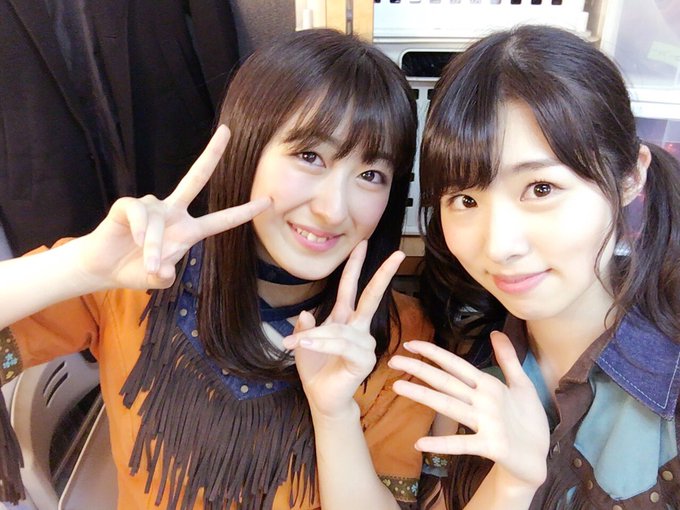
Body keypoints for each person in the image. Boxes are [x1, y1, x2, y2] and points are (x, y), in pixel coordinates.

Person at [0, 29, 435, 510]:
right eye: (310, 156)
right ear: (246, 150)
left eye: (371, 175)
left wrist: (336, 416)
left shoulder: (402, 342)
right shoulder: (139, 276)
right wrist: (81, 268)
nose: (333, 210)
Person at [389, 24, 680, 509]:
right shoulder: (467, 357)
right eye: (465, 199)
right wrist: (509, 485)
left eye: (541, 189)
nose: (499, 246)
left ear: (630, 177)